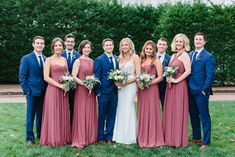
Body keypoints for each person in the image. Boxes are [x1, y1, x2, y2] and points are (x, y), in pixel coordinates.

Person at [40, 38, 71, 146]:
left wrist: (68, 84)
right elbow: (46, 77)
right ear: (53, 47)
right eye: (56, 45)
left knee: (62, 113)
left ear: (63, 47)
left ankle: (63, 137)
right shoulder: (49, 59)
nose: (58, 47)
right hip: (53, 90)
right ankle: (53, 138)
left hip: (64, 91)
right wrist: (60, 86)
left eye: (60, 45)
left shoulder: (64, 59)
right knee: (53, 113)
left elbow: (67, 75)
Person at [162, 33, 191, 147]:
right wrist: (168, 77)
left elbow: (188, 71)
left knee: (178, 111)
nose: (178, 43)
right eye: (177, 41)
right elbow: (169, 70)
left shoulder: (185, 55)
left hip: (179, 86)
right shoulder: (173, 56)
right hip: (170, 87)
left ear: (184, 43)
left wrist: (177, 80)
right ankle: (169, 138)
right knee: (170, 111)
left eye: (180, 41)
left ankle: (178, 139)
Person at [188, 32, 215, 150]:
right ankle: (196, 137)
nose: (198, 41)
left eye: (200, 39)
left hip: (201, 92)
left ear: (204, 42)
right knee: (193, 116)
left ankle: (206, 141)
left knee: (204, 116)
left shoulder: (208, 56)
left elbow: (210, 76)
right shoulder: (190, 54)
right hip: (190, 90)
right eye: (196, 39)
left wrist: (204, 90)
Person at [19, 36, 47, 146]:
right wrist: (27, 91)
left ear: (44, 45)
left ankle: (40, 136)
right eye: (37, 43)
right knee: (30, 115)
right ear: (33, 44)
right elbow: (22, 77)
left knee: (41, 115)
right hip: (32, 92)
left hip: (43, 92)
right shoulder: (26, 58)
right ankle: (30, 138)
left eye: (41, 43)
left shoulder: (46, 58)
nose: (39, 45)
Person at [112, 38, 140, 144]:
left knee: (129, 108)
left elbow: (138, 75)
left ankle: (130, 136)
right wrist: (117, 80)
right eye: (122, 45)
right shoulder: (120, 57)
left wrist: (124, 83)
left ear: (130, 46)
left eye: (126, 45)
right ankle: (120, 135)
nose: (124, 47)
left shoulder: (135, 57)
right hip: (121, 88)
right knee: (121, 109)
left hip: (130, 86)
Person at [137, 40, 164, 148]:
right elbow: (138, 74)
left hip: (152, 89)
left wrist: (148, 83)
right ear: (144, 49)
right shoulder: (141, 60)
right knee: (143, 112)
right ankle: (143, 137)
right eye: (147, 48)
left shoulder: (156, 61)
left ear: (153, 50)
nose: (148, 50)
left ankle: (153, 137)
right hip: (142, 90)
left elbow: (161, 77)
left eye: (150, 49)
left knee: (152, 111)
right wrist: (141, 84)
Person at [71, 40, 98, 148]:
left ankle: (90, 137)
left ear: (91, 49)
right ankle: (81, 138)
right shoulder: (78, 61)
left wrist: (92, 83)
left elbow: (94, 75)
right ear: (81, 49)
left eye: (88, 47)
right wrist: (84, 84)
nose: (87, 49)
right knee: (81, 112)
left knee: (90, 112)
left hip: (91, 90)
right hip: (81, 90)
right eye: (85, 47)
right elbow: (74, 76)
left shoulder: (92, 61)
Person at [94, 38, 118, 144]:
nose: (109, 47)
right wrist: (98, 92)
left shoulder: (117, 58)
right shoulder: (99, 60)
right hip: (103, 93)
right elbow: (97, 77)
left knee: (112, 115)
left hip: (114, 92)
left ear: (113, 46)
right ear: (103, 47)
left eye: (110, 45)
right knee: (102, 115)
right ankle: (100, 136)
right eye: (106, 45)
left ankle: (109, 136)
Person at [61, 33, 81, 126]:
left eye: (72, 42)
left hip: (74, 88)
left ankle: (72, 129)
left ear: (74, 43)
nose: (70, 43)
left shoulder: (78, 55)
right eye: (68, 41)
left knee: (73, 109)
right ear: (65, 42)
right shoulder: (60, 53)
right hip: (61, 87)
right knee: (62, 110)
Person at [156, 38, 171, 109]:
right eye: (160, 44)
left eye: (163, 45)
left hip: (164, 87)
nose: (161, 46)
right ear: (157, 45)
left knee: (165, 107)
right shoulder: (151, 57)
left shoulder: (170, 58)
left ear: (167, 46)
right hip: (152, 86)